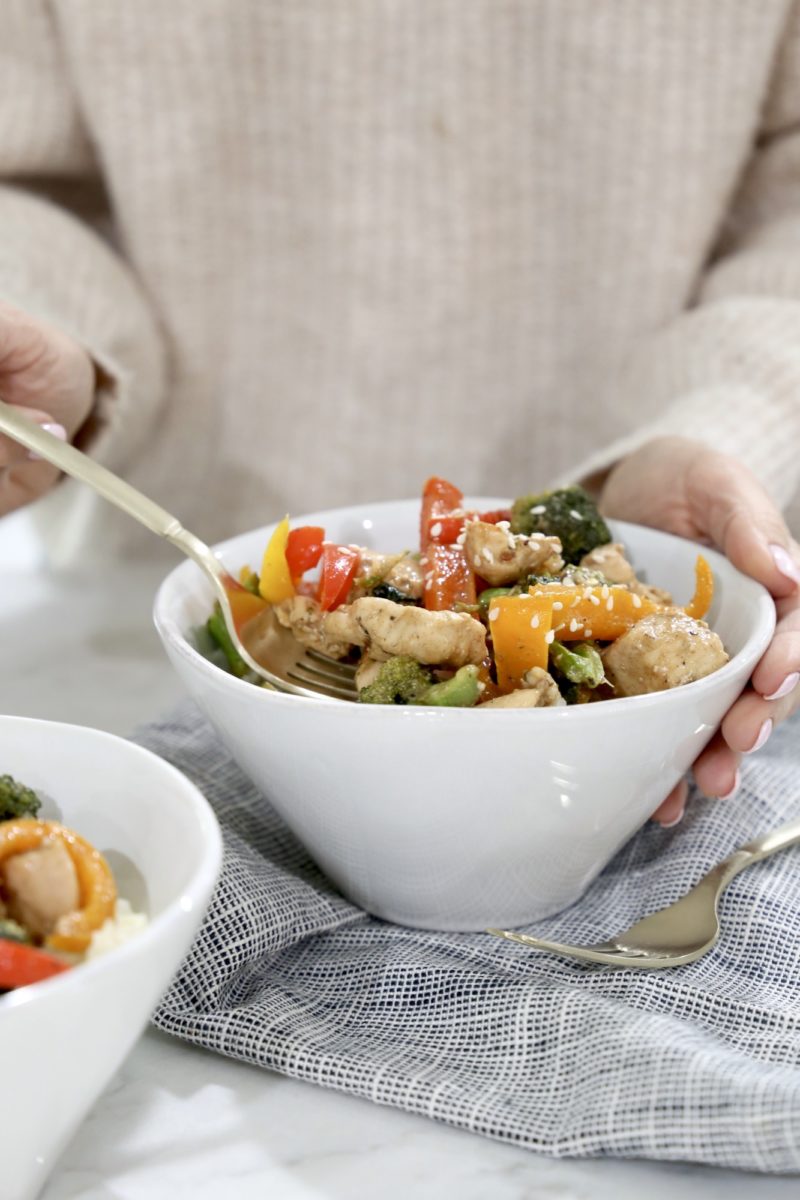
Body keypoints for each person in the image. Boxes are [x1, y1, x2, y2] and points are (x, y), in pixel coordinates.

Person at [0, 3, 798, 827]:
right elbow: (17, 174)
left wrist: (729, 414)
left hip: (640, 501)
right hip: (121, 622)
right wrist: (44, 334)